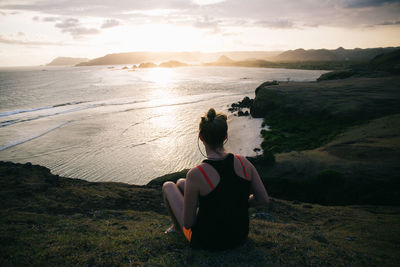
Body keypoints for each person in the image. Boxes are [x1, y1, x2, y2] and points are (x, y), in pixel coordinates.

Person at [162, 108, 269, 250]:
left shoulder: (196, 174)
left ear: (201, 137)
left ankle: (176, 228)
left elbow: (188, 223)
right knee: (182, 183)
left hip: (207, 241)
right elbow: (263, 199)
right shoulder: (244, 163)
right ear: (225, 136)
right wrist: (238, 203)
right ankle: (182, 224)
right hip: (239, 236)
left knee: (169, 186)